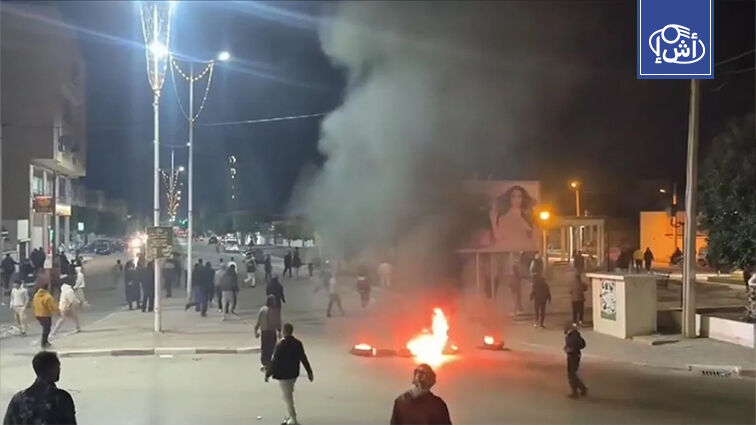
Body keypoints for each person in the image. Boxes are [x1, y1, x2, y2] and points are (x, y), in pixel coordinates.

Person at [3, 351, 77, 424]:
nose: (59, 369)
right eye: (57, 366)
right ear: (50, 369)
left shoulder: (18, 399)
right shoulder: (61, 398)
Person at [265, 323, 314, 425]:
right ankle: (289, 416)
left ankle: (293, 418)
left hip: (283, 375)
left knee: (287, 397)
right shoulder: (298, 343)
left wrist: (268, 374)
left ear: (284, 331)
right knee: (288, 393)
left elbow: (274, 361)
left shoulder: (280, 345)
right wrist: (309, 372)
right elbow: (303, 358)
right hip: (293, 373)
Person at [488, 185, 537, 251]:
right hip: (507, 250)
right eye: (513, 196)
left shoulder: (528, 216)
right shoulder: (504, 217)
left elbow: (535, 237)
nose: (516, 199)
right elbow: (498, 237)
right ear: (509, 198)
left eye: (519, 196)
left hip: (526, 250)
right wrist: (493, 222)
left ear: (523, 198)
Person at [255, 294, 282, 371]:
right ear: (271, 302)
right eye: (274, 301)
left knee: (264, 348)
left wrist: (256, 330)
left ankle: (264, 363)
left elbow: (258, 321)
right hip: (271, 332)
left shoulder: (262, 310)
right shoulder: (274, 311)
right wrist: (279, 331)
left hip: (264, 332)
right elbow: (277, 322)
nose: (275, 302)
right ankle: (267, 363)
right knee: (270, 348)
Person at [32, 276, 58, 349]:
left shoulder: (36, 295)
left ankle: (45, 342)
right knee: (47, 329)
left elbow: (34, 303)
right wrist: (57, 312)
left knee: (45, 328)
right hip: (45, 314)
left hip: (38, 314)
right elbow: (51, 306)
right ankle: (44, 342)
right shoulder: (47, 296)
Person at [564, 325, 588, 398]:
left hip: (573, 356)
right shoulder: (572, 335)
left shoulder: (573, 335)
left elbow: (576, 344)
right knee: (572, 374)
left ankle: (575, 391)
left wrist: (571, 348)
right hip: (573, 355)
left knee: (571, 374)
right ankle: (582, 388)